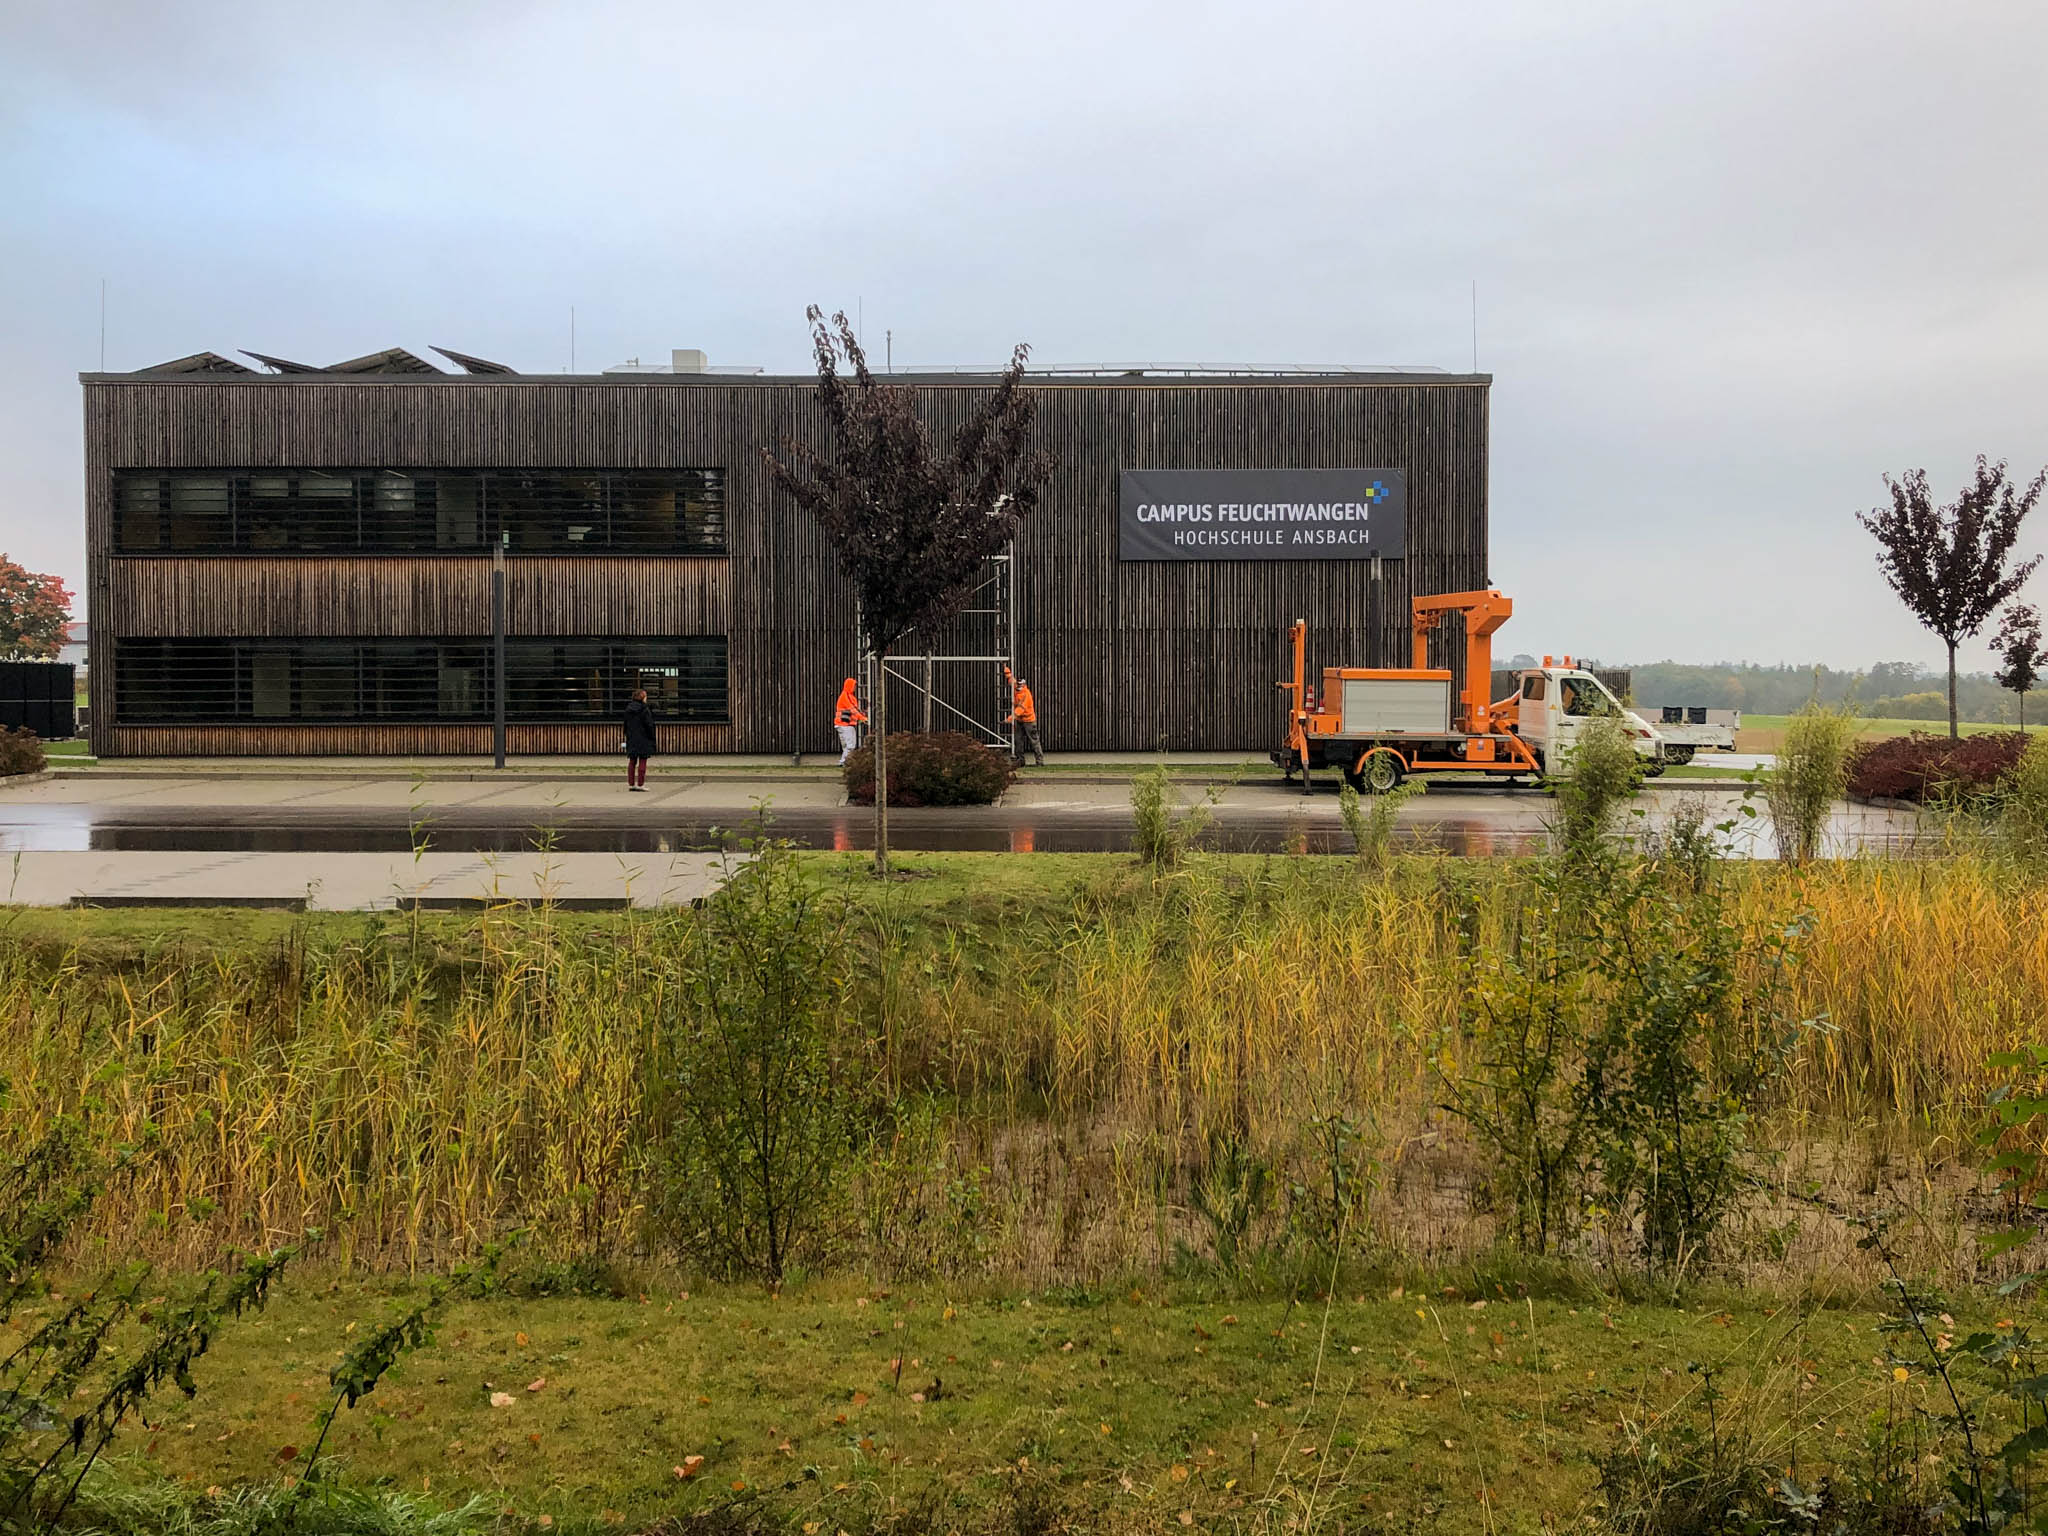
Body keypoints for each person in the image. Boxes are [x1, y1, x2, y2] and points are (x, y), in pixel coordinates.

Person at [1003, 665, 1044, 767]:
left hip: (1028, 720)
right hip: (1019, 720)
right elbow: (1011, 680)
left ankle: (1039, 762)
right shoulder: (1016, 689)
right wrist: (1007, 672)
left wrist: (1010, 718)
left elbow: (1020, 709)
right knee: (1018, 740)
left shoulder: (1026, 694)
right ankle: (1020, 761)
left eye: (1019, 685)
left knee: (1034, 741)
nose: (1017, 686)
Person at [622, 687, 657, 791]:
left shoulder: (628, 709)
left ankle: (631, 784)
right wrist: (652, 737)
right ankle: (641, 784)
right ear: (642, 697)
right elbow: (649, 725)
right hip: (643, 738)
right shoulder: (645, 709)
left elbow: (625, 724)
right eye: (645, 696)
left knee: (632, 761)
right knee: (643, 760)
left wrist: (627, 734)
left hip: (632, 737)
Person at [833, 677, 867, 765]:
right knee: (850, 745)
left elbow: (853, 709)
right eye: (854, 686)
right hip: (845, 725)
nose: (855, 688)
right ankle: (846, 762)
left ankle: (843, 762)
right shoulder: (846, 696)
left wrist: (861, 716)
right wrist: (862, 718)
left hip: (843, 724)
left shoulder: (848, 696)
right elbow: (852, 709)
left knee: (846, 746)